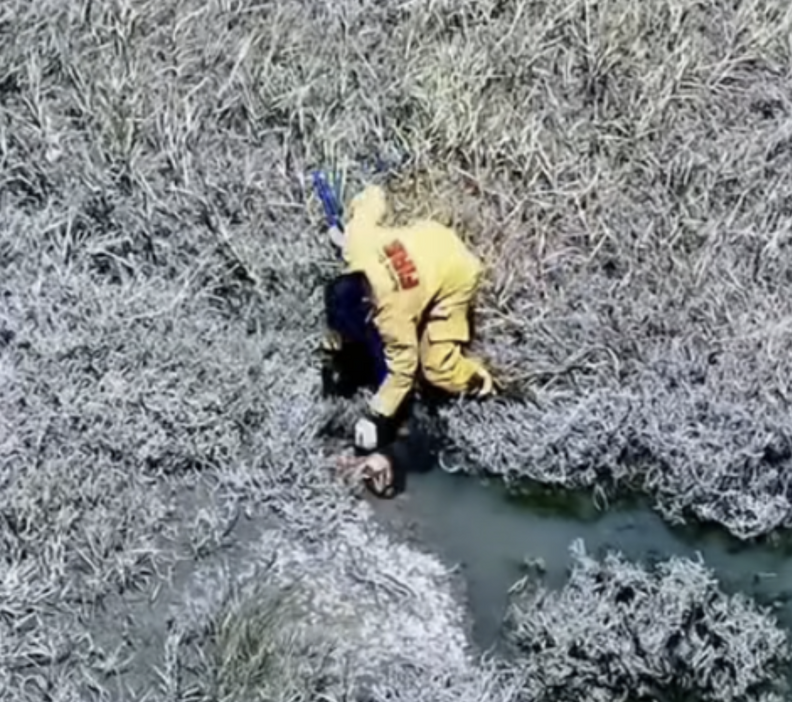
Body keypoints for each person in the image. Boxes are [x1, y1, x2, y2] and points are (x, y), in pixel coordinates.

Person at [323, 184, 496, 453]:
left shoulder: (393, 318)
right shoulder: (358, 246)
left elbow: (402, 371)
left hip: (457, 273)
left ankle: (483, 384)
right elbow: (373, 197)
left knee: (438, 368)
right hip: (433, 235)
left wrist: (377, 415)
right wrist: (351, 218)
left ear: (369, 308)